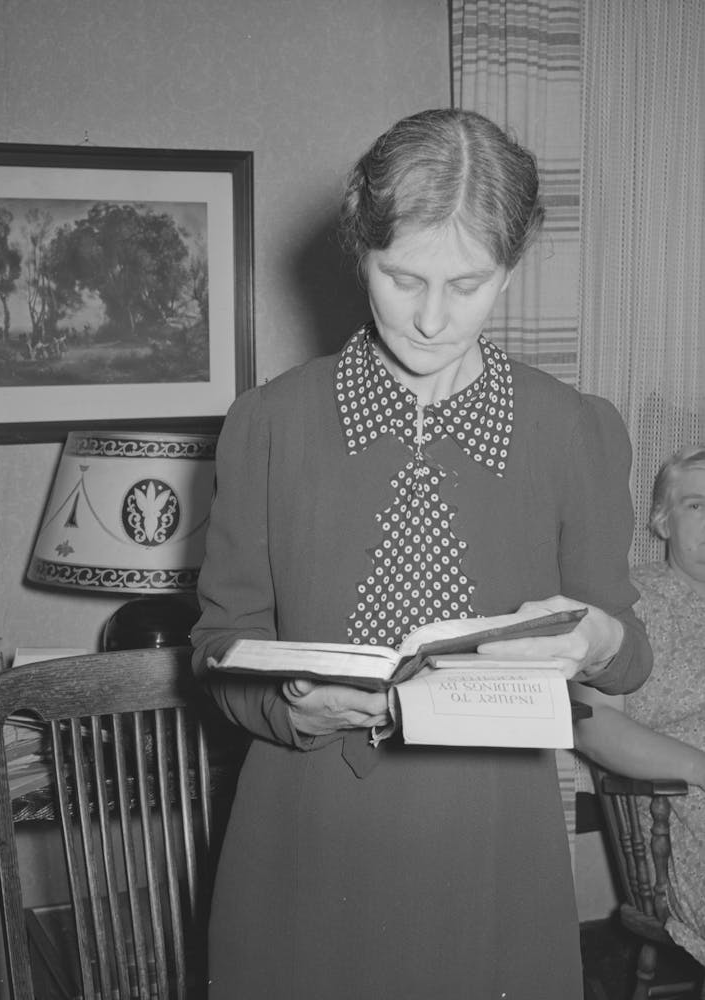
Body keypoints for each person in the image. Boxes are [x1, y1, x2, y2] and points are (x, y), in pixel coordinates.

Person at [190, 107, 652, 1000]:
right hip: (301, 829)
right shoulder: (270, 424)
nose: (433, 319)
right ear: (357, 248)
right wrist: (290, 706)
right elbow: (217, 646)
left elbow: (627, 653)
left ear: (511, 271)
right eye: (402, 278)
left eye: (469, 285)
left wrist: (594, 640)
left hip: (489, 846)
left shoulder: (573, 430)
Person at [573, 445, 705, 965]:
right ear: (661, 520)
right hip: (686, 809)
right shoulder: (626, 604)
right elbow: (592, 726)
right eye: (697, 505)